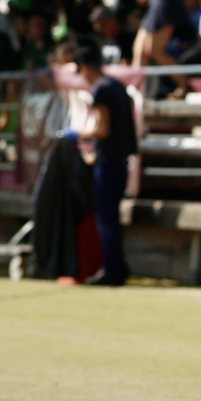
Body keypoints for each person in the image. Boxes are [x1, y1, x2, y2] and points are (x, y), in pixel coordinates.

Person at [63, 42, 133, 286]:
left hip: (108, 161)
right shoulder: (117, 86)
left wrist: (78, 133)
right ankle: (116, 267)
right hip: (121, 161)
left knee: (107, 218)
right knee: (110, 216)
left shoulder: (102, 89)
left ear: (85, 67)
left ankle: (112, 270)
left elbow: (102, 128)